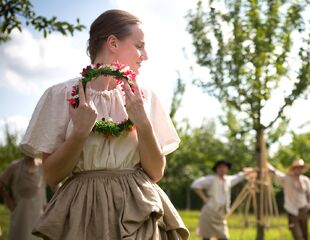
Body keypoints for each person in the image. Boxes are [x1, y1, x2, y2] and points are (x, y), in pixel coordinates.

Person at [19, 9, 189, 240]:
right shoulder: (61, 95)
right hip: (82, 211)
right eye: (139, 46)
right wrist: (79, 133)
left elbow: (156, 172)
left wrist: (143, 123)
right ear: (112, 43)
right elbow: (51, 175)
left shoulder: (144, 97)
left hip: (137, 210)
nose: (145, 55)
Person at [191, 160, 255, 240]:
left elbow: (239, 176)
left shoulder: (228, 180)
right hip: (210, 212)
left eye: (224, 167)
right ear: (216, 169)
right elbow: (195, 185)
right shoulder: (211, 179)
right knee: (207, 237)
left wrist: (254, 170)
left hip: (221, 215)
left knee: (223, 237)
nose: (222, 169)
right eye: (220, 167)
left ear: (227, 169)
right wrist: (204, 198)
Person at [0, 155, 47, 240]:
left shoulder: (42, 165)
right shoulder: (14, 166)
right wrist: (8, 200)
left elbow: (55, 184)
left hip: (38, 213)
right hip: (20, 214)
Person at [268, 159, 310, 240]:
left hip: (303, 209)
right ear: (293, 169)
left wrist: (309, 204)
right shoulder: (286, 178)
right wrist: (265, 163)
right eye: (296, 168)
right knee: (298, 236)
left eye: (300, 168)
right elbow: (274, 172)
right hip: (292, 211)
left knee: (305, 235)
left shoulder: (306, 180)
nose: (298, 170)